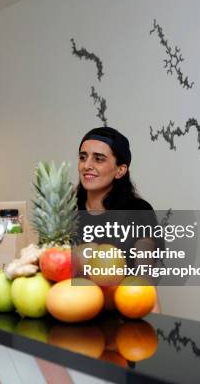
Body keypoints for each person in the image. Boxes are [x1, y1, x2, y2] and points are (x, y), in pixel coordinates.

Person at [77, 126, 161, 311]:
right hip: (72, 317)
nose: (86, 165)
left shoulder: (139, 212)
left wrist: (154, 327)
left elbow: (145, 284)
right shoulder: (66, 213)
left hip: (123, 320)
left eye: (98, 159)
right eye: (83, 157)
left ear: (120, 170)